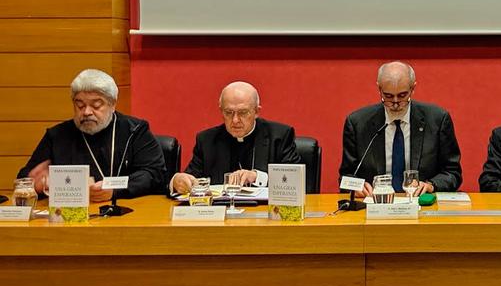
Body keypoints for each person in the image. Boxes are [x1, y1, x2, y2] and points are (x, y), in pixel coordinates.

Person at [18, 69, 166, 201]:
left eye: (96, 105)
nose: (87, 112)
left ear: (112, 104)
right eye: (80, 105)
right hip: (72, 218)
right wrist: (37, 184)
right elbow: (26, 177)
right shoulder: (57, 135)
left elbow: (154, 174)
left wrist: (115, 191)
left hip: (127, 213)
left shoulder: (135, 131)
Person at [339, 61, 462, 197]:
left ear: (413, 88)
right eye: (388, 96)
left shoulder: (437, 120)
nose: (395, 103)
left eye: (402, 96)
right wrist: (356, 186)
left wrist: (431, 185)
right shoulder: (358, 123)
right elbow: (345, 177)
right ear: (379, 89)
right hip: (374, 205)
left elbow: (453, 173)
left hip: (421, 205)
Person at [170, 81, 301, 194]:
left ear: (256, 112)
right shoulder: (207, 140)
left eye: (243, 113)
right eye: (228, 113)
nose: (235, 120)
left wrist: (257, 177)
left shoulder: (280, 136)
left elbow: (295, 182)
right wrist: (177, 181)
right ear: (221, 111)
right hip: (220, 216)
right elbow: (190, 178)